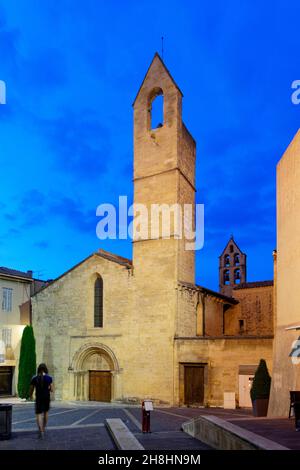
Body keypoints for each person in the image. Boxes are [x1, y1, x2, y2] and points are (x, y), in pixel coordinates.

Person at [29, 363, 53, 438]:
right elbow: (52, 389)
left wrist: (30, 396)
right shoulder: (49, 378)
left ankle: (41, 430)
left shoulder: (34, 378)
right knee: (46, 413)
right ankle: (43, 428)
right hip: (46, 397)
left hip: (39, 398)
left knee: (38, 414)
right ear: (46, 369)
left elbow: (31, 389)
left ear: (38, 369)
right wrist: (48, 388)